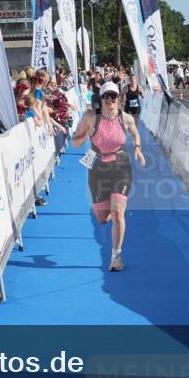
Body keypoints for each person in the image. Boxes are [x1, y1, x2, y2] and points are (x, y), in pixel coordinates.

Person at [71, 81, 146, 272]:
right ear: (101, 99)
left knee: (119, 212)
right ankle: (111, 212)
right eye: (107, 96)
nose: (110, 100)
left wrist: (138, 148)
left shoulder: (126, 118)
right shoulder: (91, 117)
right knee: (102, 218)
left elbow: (136, 134)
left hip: (121, 165)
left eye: (114, 96)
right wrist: (86, 135)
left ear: (118, 98)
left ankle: (116, 256)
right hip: (97, 168)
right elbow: (75, 144)